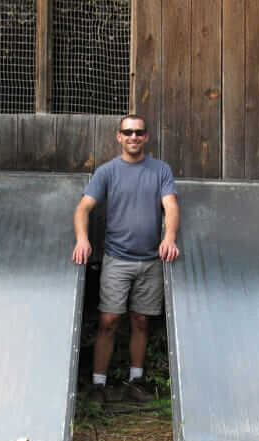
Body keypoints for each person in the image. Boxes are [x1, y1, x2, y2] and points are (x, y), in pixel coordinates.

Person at [72, 114, 180, 404]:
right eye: (128, 132)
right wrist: (82, 239)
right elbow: (83, 209)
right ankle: (98, 385)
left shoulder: (160, 170)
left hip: (150, 260)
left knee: (142, 321)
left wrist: (169, 238)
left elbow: (170, 206)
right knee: (108, 320)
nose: (133, 137)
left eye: (139, 132)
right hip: (116, 259)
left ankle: (136, 380)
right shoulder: (107, 172)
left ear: (146, 137)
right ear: (119, 137)